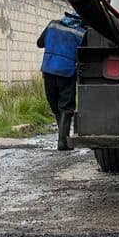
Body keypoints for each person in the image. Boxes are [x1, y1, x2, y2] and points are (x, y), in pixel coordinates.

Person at [37, 11, 86, 151]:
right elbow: (83, 55)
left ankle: (62, 139)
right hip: (67, 73)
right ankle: (62, 141)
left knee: (55, 106)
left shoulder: (53, 25)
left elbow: (39, 43)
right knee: (66, 107)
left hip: (48, 70)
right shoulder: (81, 33)